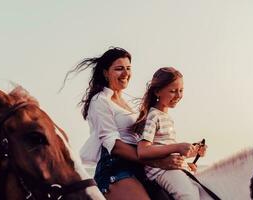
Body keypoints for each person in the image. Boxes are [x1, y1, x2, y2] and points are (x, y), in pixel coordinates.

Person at [62, 47, 185, 200]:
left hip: (141, 166)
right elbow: (114, 146)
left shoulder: (127, 105)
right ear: (106, 73)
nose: (126, 73)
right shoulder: (100, 100)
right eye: (119, 69)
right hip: (116, 167)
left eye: (128, 68)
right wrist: (158, 162)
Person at [132, 67, 207, 200]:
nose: (178, 95)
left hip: (169, 169)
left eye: (181, 90)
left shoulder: (166, 117)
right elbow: (143, 151)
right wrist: (177, 147)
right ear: (157, 92)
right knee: (189, 196)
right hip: (160, 171)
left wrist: (193, 152)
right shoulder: (153, 116)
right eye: (173, 91)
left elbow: (164, 147)